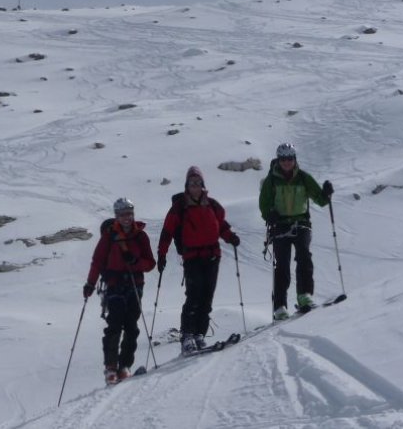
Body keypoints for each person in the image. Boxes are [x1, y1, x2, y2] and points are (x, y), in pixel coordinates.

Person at [158, 166, 240, 354]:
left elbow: (221, 225)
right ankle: (187, 336)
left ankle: (199, 335)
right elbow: (167, 232)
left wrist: (230, 237)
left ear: (203, 185)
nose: (195, 186)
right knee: (194, 295)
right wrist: (161, 255)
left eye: (198, 182)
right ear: (187, 185)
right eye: (191, 183)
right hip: (192, 257)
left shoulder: (212, 205)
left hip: (212, 256)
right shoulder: (179, 207)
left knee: (207, 297)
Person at [83, 197, 156, 384]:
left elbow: (150, 263)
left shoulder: (140, 236)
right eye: (123, 214)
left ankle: (124, 366)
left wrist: (136, 262)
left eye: (129, 214)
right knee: (114, 325)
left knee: (131, 327)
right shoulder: (109, 236)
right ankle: (110, 368)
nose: (127, 218)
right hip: (114, 285)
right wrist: (90, 284)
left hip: (134, 285)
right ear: (116, 216)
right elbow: (98, 261)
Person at [258, 143, 333, 320]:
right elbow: (264, 204)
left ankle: (304, 295)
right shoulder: (271, 181)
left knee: (304, 256)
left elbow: (321, 200)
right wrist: (270, 215)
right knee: (281, 266)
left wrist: (327, 193)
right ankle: (279, 306)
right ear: (278, 159)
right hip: (280, 226)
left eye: (290, 159)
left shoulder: (303, 177)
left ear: (294, 159)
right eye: (283, 159)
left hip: (301, 223)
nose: (286, 162)